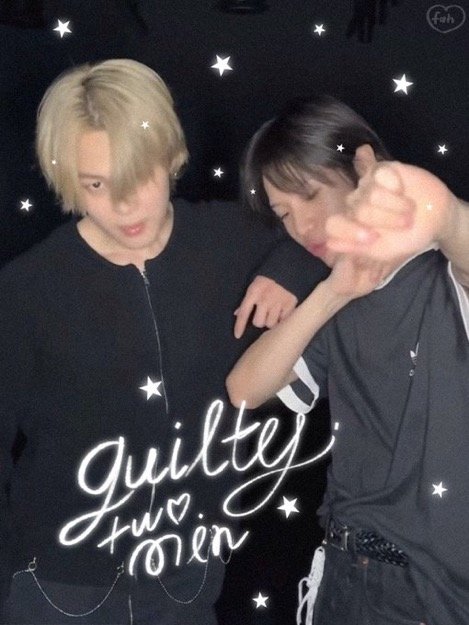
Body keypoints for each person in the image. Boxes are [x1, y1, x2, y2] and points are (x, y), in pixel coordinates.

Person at [0, 60, 328, 625]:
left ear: (170, 155)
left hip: (186, 575)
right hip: (57, 586)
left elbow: (321, 234)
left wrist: (288, 272)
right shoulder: (27, 287)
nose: (124, 204)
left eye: (139, 174)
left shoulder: (231, 238)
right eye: (96, 184)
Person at [226, 94, 469, 625]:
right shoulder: (336, 295)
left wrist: (446, 214)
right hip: (342, 572)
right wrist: (331, 293)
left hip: (431, 590)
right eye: (285, 214)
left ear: (361, 168)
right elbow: (245, 390)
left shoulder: (443, 276)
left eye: (310, 195)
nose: (302, 225)